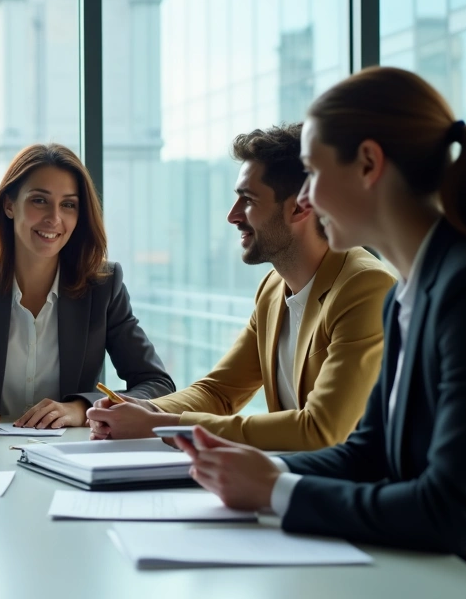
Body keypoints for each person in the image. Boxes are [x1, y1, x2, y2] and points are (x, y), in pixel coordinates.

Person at [174, 67, 466, 598]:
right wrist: (241, 469)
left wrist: (276, 490)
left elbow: (450, 509)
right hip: (451, 577)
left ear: (368, 164)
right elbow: (368, 453)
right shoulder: (411, 289)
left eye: (311, 172)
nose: (305, 198)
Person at [87, 125, 395, 451]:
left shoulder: (365, 288)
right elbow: (220, 392)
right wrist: (146, 409)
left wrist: (161, 424)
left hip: (350, 492)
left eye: (247, 200)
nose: (232, 216)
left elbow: (321, 430)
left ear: (300, 206)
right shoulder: (274, 289)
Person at [0, 143, 174, 432]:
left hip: (68, 456)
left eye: (68, 205)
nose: (54, 218)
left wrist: (82, 409)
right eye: (39, 200)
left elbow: (157, 385)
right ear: (9, 205)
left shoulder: (103, 286)